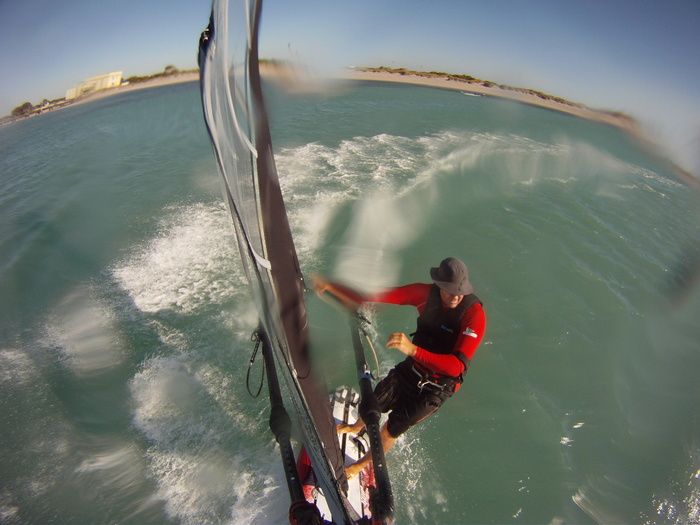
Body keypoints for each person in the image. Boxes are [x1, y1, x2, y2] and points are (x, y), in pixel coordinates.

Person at [313, 257, 486, 479]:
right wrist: (333, 287)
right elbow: (377, 295)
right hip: (412, 370)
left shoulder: (474, 315)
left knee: (390, 429)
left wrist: (413, 350)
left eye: (460, 291)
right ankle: (357, 427)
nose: (456, 296)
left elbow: (457, 367)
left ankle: (359, 466)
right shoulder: (424, 294)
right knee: (375, 399)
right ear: (438, 284)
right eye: (450, 290)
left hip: (436, 388)